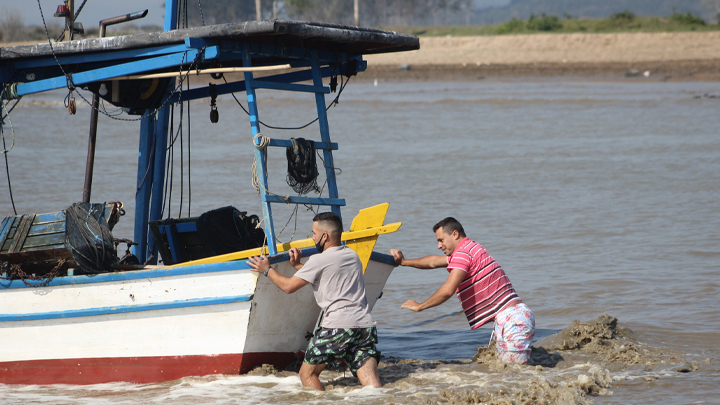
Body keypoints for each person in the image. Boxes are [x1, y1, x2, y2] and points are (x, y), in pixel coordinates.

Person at [247, 212, 382, 390]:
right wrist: (298, 266)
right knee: (371, 383)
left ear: (324, 236)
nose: (312, 238)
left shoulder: (318, 259)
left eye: (313, 233)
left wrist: (267, 269)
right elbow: (327, 275)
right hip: (364, 326)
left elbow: (288, 286)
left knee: (307, 374)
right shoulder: (352, 255)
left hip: (338, 326)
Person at [390, 217, 535, 364]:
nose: (439, 246)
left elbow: (448, 290)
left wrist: (420, 306)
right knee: (508, 374)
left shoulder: (463, 254)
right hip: (511, 317)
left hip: (512, 320)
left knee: (513, 373)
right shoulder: (470, 248)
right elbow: (433, 262)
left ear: (455, 234)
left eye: (441, 240)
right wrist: (404, 262)